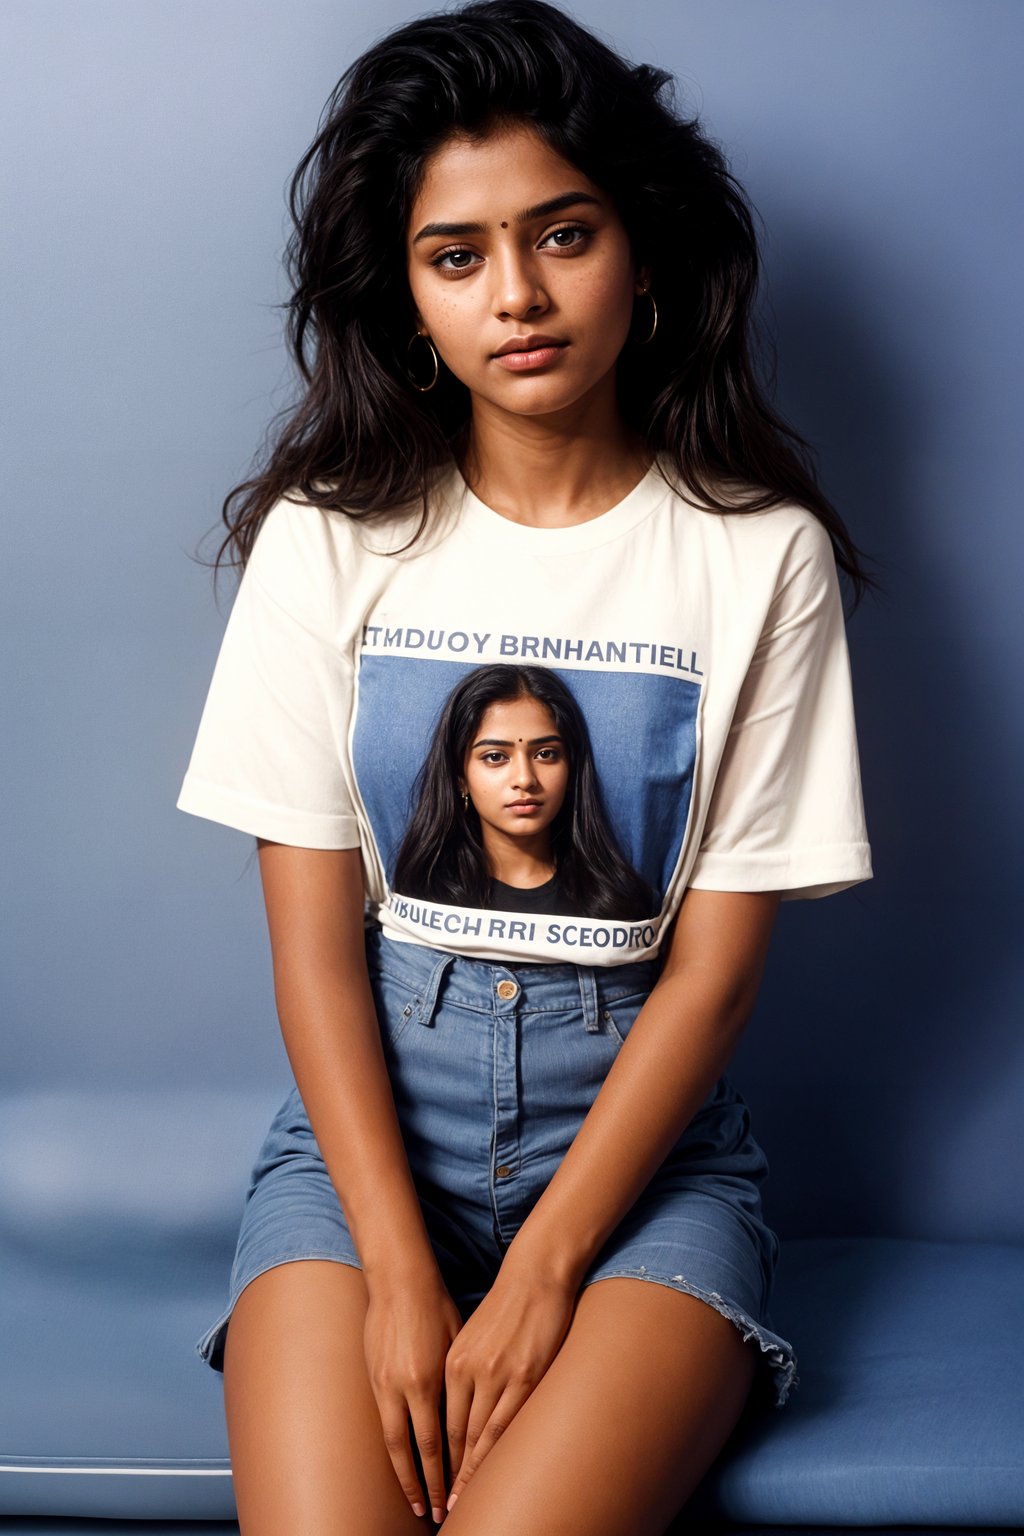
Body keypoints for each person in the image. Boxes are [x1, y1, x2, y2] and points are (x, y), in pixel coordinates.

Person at [175, 1, 876, 1531]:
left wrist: (548, 1271)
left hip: (648, 1185)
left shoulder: (760, 559)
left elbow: (713, 979)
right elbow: (311, 953)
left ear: (643, 247)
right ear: (407, 296)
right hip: (363, 1170)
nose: (517, 295)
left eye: (561, 235)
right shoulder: (327, 541)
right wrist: (402, 1272)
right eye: (456, 255)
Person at [391, 662, 659, 919]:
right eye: (495, 757)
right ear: (459, 778)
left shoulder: (618, 906)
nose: (525, 779)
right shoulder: (422, 899)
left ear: (572, 770)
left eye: (545, 754)